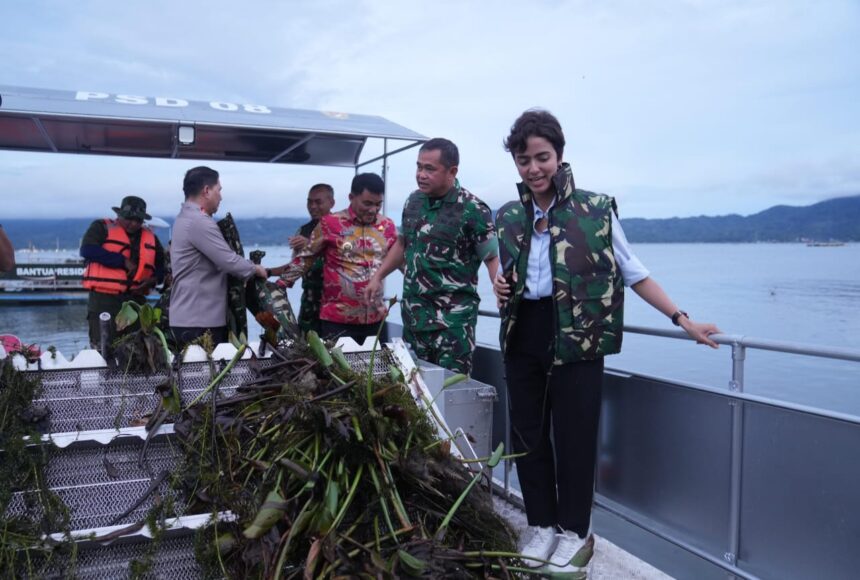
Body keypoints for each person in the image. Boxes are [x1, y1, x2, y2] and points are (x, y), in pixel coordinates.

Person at [492, 110, 721, 574]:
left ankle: (575, 532)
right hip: (524, 334)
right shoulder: (510, 216)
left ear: (559, 156)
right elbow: (511, 275)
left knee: (575, 437)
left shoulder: (594, 210)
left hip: (578, 337)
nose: (534, 169)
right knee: (528, 435)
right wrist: (501, 287)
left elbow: (633, 272)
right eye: (524, 160)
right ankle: (541, 526)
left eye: (542, 157)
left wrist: (682, 319)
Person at [364, 138, 499, 374]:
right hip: (415, 319)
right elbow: (402, 244)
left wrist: (500, 291)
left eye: (430, 169)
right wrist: (378, 277)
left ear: (452, 171)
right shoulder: (413, 202)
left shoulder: (473, 210)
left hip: (452, 325)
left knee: (449, 394)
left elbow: (491, 258)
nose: (421, 175)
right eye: (418, 167)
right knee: (416, 391)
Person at [272, 173, 396, 343]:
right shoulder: (329, 223)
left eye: (378, 204)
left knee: (378, 368)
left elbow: (401, 259)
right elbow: (305, 259)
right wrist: (280, 285)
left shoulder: (388, 226)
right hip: (337, 321)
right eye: (367, 203)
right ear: (351, 198)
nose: (373, 210)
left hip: (377, 318)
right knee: (336, 370)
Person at [169, 166, 267, 348]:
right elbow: (228, 261)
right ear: (206, 190)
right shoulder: (198, 222)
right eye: (218, 190)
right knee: (205, 375)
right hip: (199, 320)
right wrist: (255, 269)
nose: (221, 197)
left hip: (188, 317)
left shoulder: (184, 218)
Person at [80, 196, 166, 351]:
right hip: (104, 301)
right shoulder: (101, 227)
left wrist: (153, 280)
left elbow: (161, 266)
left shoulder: (151, 237)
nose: (133, 223)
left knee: (138, 350)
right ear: (119, 215)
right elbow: (87, 249)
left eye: (138, 220)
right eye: (129, 219)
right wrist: (121, 260)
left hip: (136, 302)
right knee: (104, 349)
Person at [290, 183, 335, 335]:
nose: (313, 206)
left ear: (331, 203)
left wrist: (309, 245)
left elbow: (347, 255)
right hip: (309, 303)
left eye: (318, 202)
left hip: (334, 305)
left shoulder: (341, 227)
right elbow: (294, 268)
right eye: (309, 202)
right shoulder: (303, 230)